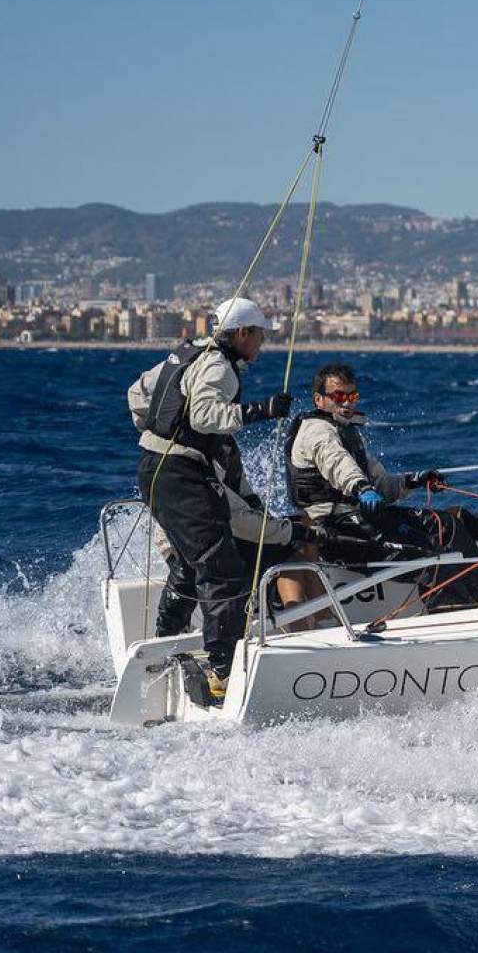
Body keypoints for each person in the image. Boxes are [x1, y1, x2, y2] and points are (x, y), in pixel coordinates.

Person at [127, 297, 310, 694]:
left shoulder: (187, 354)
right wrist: (261, 411)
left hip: (154, 466)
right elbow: (204, 417)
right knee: (221, 569)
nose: (261, 344)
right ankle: (223, 673)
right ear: (242, 333)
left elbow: (136, 395)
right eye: (259, 335)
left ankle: (164, 646)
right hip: (179, 471)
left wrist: (159, 430)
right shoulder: (219, 366)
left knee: (191, 562)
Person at [286, 362, 478, 609]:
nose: (347, 403)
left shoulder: (347, 431)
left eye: (352, 396)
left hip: (363, 516)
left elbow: (381, 485)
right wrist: (361, 488)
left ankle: (476, 596)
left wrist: (414, 480)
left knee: (444, 524)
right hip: (333, 528)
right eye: (338, 397)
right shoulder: (317, 432)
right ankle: (451, 612)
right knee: (426, 554)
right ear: (319, 400)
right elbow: (337, 464)